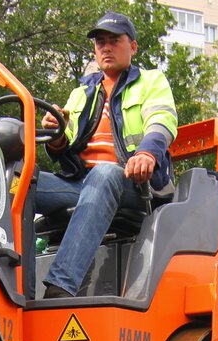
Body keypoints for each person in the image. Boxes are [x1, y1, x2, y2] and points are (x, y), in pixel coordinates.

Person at [37, 11, 178, 299]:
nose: (106, 47)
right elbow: (66, 150)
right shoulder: (81, 93)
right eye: (100, 42)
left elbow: (162, 121)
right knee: (18, 180)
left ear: (133, 46)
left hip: (133, 183)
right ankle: (10, 282)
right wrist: (56, 135)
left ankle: (59, 288)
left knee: (104, 173)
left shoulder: (151, 82)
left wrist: (147, 155)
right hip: (82, 185)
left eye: (114, 40)